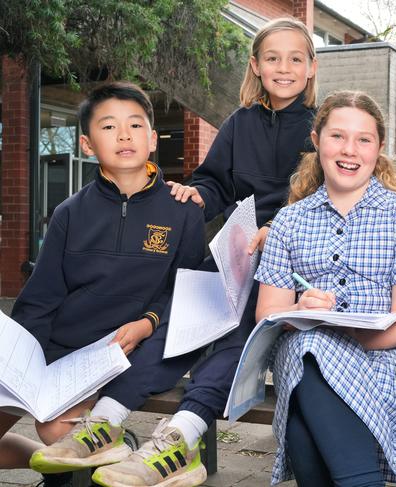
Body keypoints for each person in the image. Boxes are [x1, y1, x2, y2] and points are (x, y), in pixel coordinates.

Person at [91, 17, 318, 487]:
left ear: (312, 68)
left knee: (238, 322)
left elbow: (323, 193)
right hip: (238, 247)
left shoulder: (321, 126)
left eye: (296, 58)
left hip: (291, 257)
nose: (284, 67)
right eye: (272, 58)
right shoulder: (240, 123)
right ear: (255, 65)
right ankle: (108, 415)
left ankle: (183, 432)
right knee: (182, 314)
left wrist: (280, 226)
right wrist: (198, 194)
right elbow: (216, 180)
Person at [8, 82, 205, 486]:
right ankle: (73, 462)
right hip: (64, 351)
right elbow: (40, 298)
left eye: (135, 125)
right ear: (86, 144)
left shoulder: (182, 210)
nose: (124, 135)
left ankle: (83, 465)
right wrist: (22, 364)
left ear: (152, 140)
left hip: (123, 351)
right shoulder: (69, 213)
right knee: (50, 436)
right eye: (109, 126)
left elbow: (186, 292)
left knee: (56, 429)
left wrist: (149, 321)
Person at [255, 91, 396, 486]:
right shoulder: (288, 221)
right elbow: (267, 316)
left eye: (364, 139)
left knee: (303, 433)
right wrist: (302, 312)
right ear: (316, 140)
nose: (350, 150)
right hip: (305, 356)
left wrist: (345, 336)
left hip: (383, 358)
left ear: (379, 148)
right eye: (337, 136)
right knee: (310, 348)